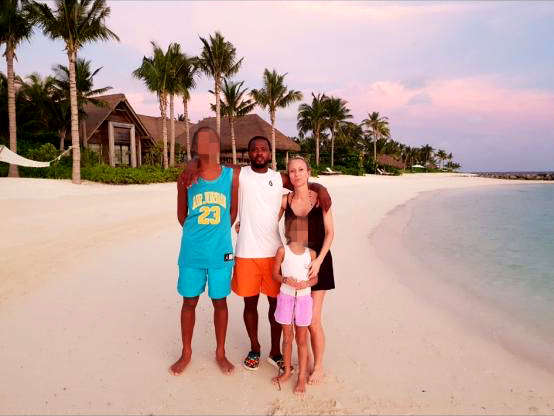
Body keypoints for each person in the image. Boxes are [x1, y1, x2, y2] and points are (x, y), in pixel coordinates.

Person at [181, 136, 331, 372]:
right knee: (249, 305)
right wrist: (193, 162)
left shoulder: (278, 178)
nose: (259, 153)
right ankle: (255, 347)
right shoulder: (239, 175)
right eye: (254, 149)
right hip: (246, 252)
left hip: (274, 253)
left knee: (275, 306)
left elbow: (304, 183)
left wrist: (321, 189)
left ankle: (275, 351)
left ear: (270, 154)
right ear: (249, 154)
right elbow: (210, 163)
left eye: (263, 149)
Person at [169, 127, 240, 376]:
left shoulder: (231, 176)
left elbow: (232, 211)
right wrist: (197, 235)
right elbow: (181, 215)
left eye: (212, 141)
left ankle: (220, 353)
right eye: (202, 142)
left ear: (219, 145)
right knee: (189, 301)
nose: (208, 145)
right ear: (195, 148)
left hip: (221, 252)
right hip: (192, 252)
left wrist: (219, 232)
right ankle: (186, 351)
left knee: (220, 301)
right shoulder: (186, 177)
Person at [280, 155, 334, 385]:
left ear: (308, 172)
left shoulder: (320, 199)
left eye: (301, 170)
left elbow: (330, 233)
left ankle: (318, 366)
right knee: (296, 319)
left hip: (318, 263)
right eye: (292, 171)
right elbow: (267, 221)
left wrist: (319, 260)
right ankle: (306, 360)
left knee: (312, 320)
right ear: (288, 175)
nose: (297, 174)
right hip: (294, 264)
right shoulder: (285, 200)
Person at [271, 216, 318, 394]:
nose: (299, 232)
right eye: (295, 228)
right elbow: (275, 274)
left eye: (303, 229)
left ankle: (301, 379)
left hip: (304, 300)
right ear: (288, 232)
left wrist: (307, 283)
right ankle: (287, 371)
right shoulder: (282, 251)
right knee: (287, 338)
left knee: (301, 340)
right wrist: (285, 279)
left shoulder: (311, 254)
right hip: (286, 297)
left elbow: (315, 278)